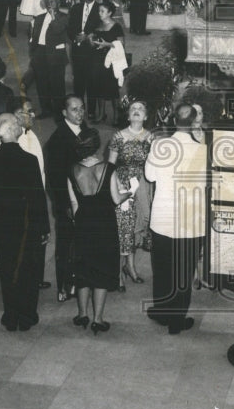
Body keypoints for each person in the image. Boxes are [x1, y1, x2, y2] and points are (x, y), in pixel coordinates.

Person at [0, 113, 50, 332]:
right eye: (17, 124)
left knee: (8, 269)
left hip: (0, 226)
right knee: (28, 270)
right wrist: (44, 228)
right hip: (26, 225)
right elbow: (38, 197)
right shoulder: (29, 161)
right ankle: (27, 315)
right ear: (10, 130)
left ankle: (10, 315)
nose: (21, 126)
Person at [145, 103, 207, 335]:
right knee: (183, 271)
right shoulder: (201, 150)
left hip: (162, 219)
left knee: (162, 268)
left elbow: (149, 176)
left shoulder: (160, 145)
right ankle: (177, 320)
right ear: (193, 123)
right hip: (189, 222)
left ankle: (162, 312)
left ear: (173, 121)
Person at [68, 129, 127, 334]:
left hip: (83, 223)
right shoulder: (109, 168)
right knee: (101, 271)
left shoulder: (72, 170)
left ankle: (82, 314)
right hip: (104, 224)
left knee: (83, 270)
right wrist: (128, 192)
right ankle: (98, 319)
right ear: (97, 146)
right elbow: (116, 199)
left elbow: (74, 203)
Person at [45, 95, 93, 302]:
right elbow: (54, 180)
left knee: (83, 243)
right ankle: (65, 287)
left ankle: (81, 282)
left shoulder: (86, 131)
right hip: (67, 203)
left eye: (82, 108)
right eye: (74, 109)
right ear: (64, 113)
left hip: (85, 198)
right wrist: (65, 206)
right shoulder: (57, 140)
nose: (80, 113)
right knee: (66, 246)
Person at [107, 100, 156, 282]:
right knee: (124, 227)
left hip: (144, 186)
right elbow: (110, 167)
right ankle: (119, 271)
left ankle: (131, 267)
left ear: (145, 116)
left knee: (137, 227)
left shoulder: (151, 138)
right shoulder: (118, 137)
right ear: (128, 115)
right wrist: (118, 187)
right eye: (133, 109)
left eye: (140, 109)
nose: (136, 111)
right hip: (123, 185)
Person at [26, 0, 68, 119]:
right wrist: (33, 51)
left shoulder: (64, 17)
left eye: (53, 1)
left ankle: (60, 112)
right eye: (48, 2)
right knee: (42, 83)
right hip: (40, 52)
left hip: (55, 54)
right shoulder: (39, 18)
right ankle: (46, 110)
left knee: (57, 84)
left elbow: (57, 29)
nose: (50, 4)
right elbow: (32, 35)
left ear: (59, 3)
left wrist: (53, 15)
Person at [87, 1, 127, 124]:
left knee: (112, 88)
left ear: (109, 13)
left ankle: (115, 116)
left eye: (102, 11)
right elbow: (93, 43)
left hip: (111, 60)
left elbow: (121, 44)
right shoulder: (97, 24)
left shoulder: (116, 26)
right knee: (98, 86)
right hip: (97, 59)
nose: (99, 13)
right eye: (99, 11)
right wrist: (90, 40)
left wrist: (107, 44)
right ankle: (101, 114)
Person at [68, 0, 103, 111]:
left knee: (92, 81)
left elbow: (102, 29)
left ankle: (92, 111)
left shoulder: (100, 9)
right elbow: (70, 27)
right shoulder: (76, 8)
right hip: (77, 49)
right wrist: (74, 37)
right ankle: (79, 110)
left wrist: (87, 36)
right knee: (78, 82)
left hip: (92, 51)